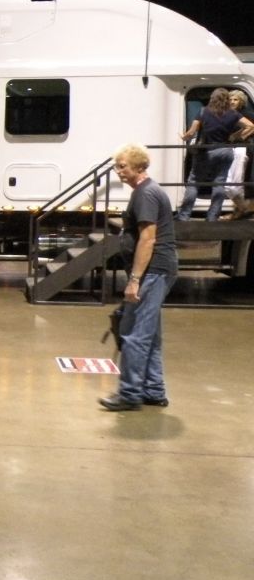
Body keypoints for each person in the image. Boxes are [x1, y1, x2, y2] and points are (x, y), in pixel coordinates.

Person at [99, 144, 178, 411]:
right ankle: (153, 390)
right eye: (116, 166)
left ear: (139, 167)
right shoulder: (145, 192)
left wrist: (134, 280)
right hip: (156, 270)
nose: (118, 171)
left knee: (134, 333)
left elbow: (148, 238)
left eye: (123, 166)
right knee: (149, 333)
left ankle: (130, 393)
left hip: (153, 271)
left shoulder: (146, 194)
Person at [178, 88, 254, 221]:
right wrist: (235, 136)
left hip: (207, 150)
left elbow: (191, 132)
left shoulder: (203, 111)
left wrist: (184, 137)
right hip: (225, 151)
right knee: (219, 184)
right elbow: (250, 126)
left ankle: (184, 216)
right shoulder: (233, 114)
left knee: (194, 182)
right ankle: (212, 217)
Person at [221, 90, 254, 220]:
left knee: (236, 182)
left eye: (235, 99)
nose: (232, 102)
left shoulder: (246, 114)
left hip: (241, 149)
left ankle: (241, 211)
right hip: (231, 149)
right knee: (230, 182)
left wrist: (237, 136)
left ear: (241, 102)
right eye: (230, 99)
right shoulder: (227, 113)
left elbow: (252, 127)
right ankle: (242, 209)